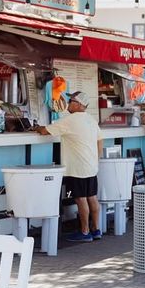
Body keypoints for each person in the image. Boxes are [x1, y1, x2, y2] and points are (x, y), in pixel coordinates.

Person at [35, 92, 103, 242]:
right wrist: (95, 159)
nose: (68, 103)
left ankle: (84, 232)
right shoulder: (91, 120)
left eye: (71, 101)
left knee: (80, 198)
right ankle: (96, 229)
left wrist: (36, 127)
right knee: (92, 197)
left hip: (76, 168)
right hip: (91, 167)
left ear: (79, 105)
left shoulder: (70, 120)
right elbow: (100, 142)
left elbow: (46, 131)